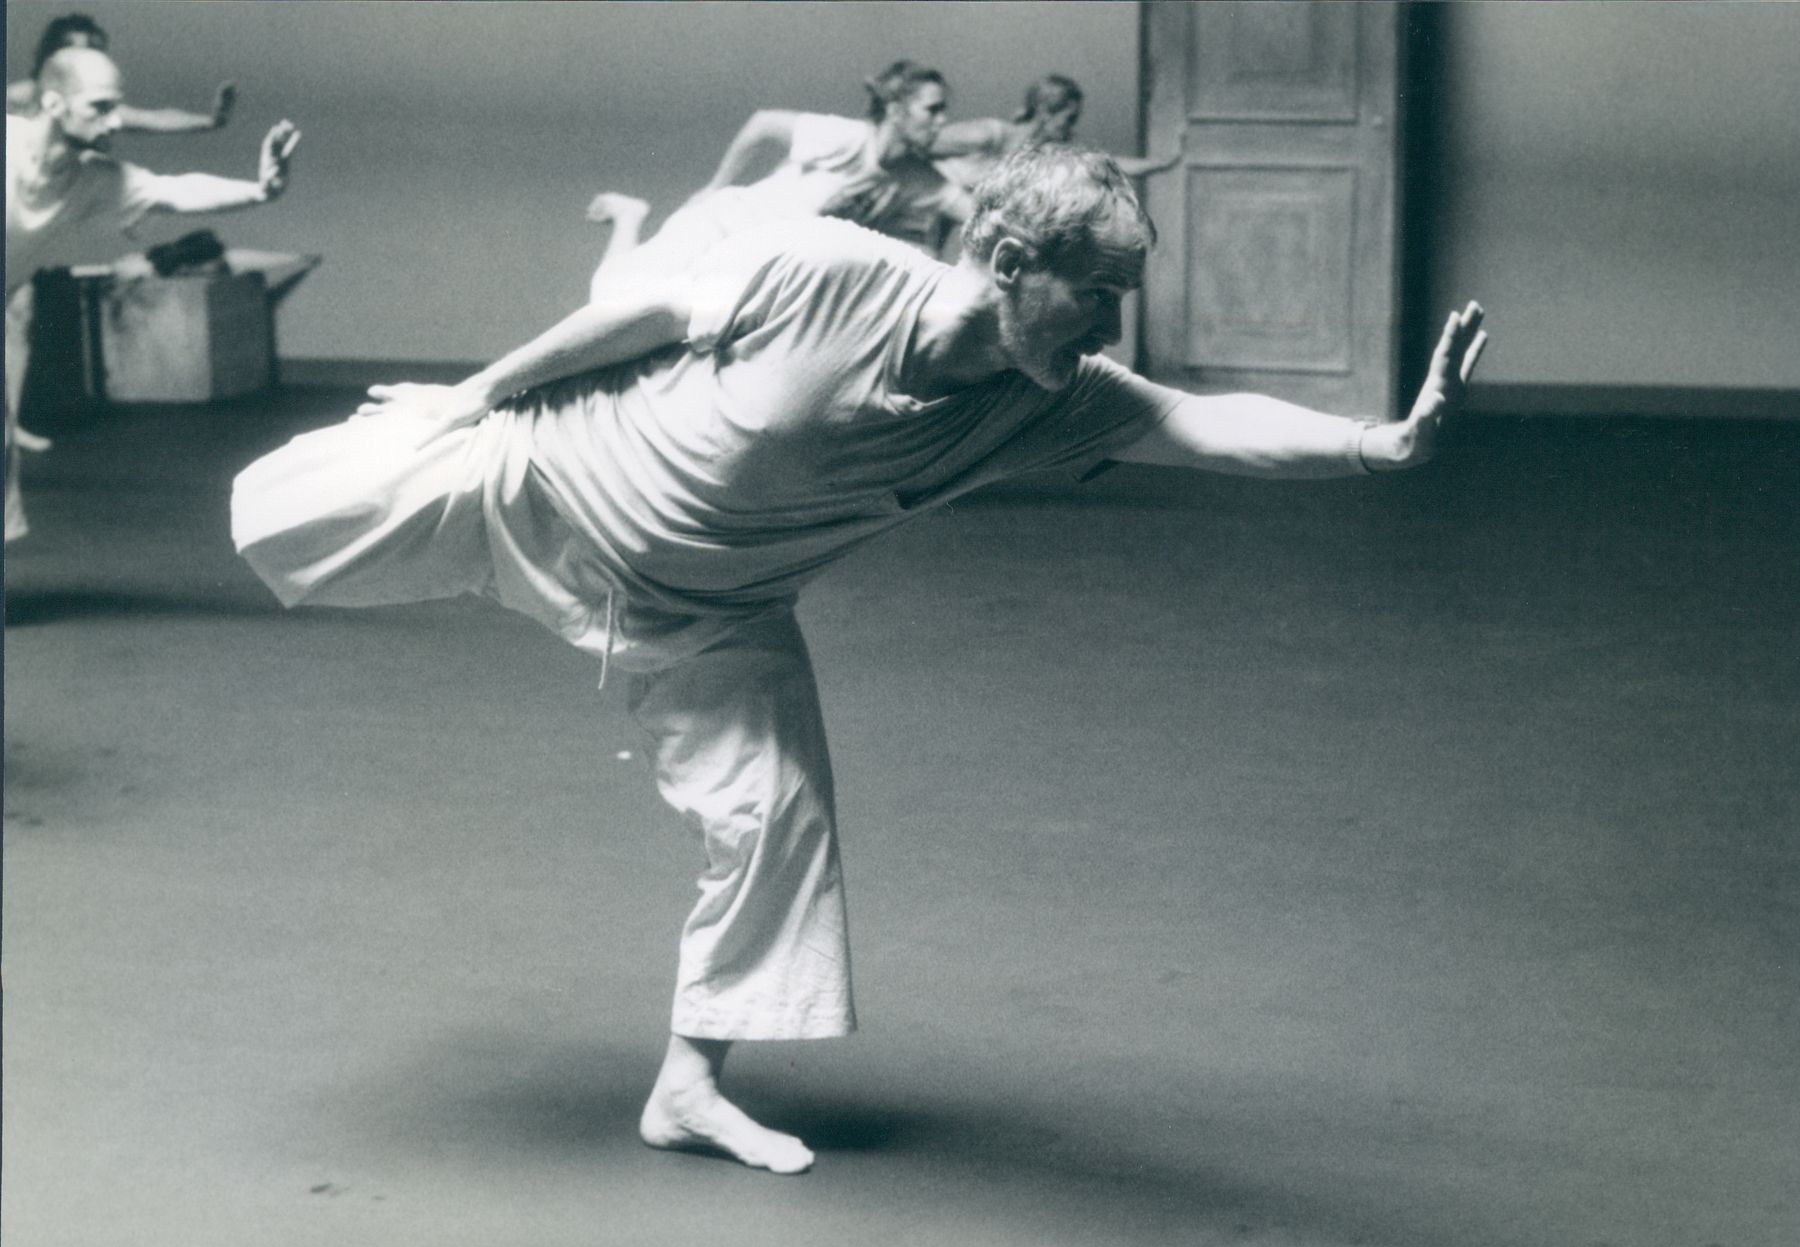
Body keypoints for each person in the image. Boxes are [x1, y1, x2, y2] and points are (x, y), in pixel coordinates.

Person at [231, 143, 1486, 1176]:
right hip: (544, 476)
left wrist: (1377, 445)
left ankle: (686, 1090)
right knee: (274, 513)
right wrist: (475, 396)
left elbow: (1201, 422)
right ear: (1008, 260)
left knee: (778, 819)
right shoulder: (830, 267)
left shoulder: (1054, 397)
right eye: (1095, 291)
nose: (1112, 322)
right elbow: (643, 315)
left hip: (710, 612)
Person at [5, 46, 299, 544]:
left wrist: (260, 190)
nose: (114, 120)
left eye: (115, 106)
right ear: (54, 104)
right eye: (99, 106)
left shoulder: (95, 179)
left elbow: (174, 190)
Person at [585, 59, 974, 301]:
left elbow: (973, 213)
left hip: (758, 261)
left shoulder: (919, 180)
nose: (942, 121)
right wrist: (715, 187)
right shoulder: (849, 138)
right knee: (613, 299)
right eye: (932, 109)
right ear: (896, 109)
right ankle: (629, 216)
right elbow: (763, 124)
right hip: (725, 223)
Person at [931, 73, 1183, 191]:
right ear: (1045, 112)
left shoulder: (1046, 155)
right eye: (1069, 119)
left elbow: (1107, 164)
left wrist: (1163, 163)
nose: (1072, 127)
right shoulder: (990, 134)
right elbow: (920, 143)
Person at [7, 13, 237, 135]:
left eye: (89, 53)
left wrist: (212, 121)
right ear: (51, 54)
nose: (81, 60)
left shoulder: (98, 109)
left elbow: (153, 119)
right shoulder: (19, 97)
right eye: (73, 51)